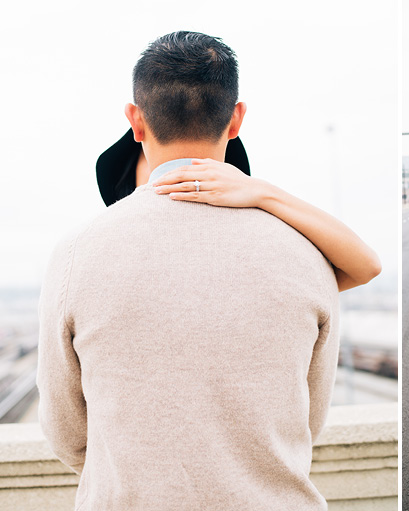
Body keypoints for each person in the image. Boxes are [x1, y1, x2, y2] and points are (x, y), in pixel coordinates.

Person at [38, 31, 346, 509]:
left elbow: (65, 430)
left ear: (135, 122)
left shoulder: (77, 253)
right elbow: (309, 418)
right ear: (237, 118)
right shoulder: (307, 252)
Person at [95, 131, 380, 292]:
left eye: (202, 174)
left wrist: (262, 193)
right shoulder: (113, 256)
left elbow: (366, 265)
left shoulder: (262, 253)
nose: (182, 177)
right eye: (163, 173)